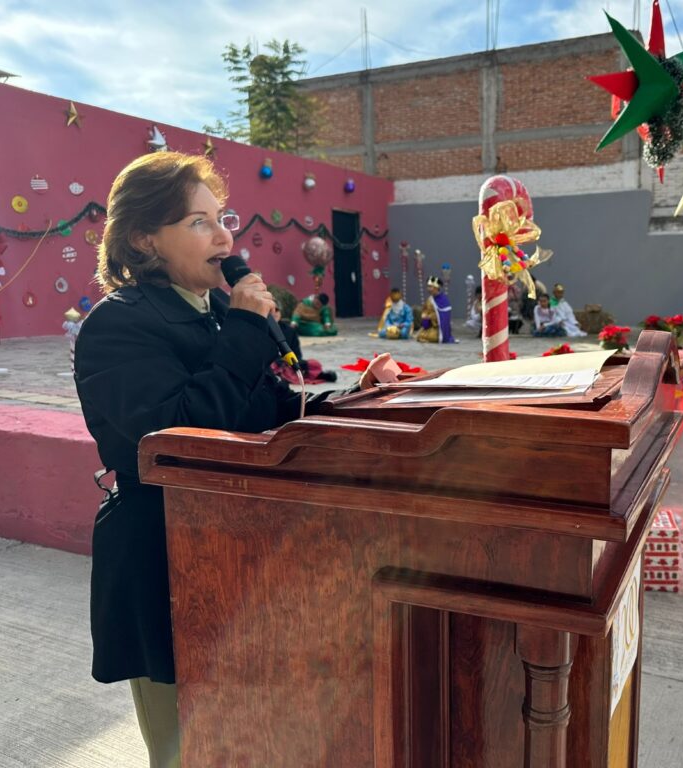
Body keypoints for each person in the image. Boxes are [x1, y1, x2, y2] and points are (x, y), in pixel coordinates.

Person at [72, 152, 396, 768]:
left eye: (223, 219)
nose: (225, 238)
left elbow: (273, 411)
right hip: (165, 557)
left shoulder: (221, 315)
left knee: (256, 729)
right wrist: (246, 332)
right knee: (187, 746)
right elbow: (177, 436)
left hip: (246, 549)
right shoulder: (118, 328)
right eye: (199, 222)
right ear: (144, 238)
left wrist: (359, 398)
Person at [271, 301, 338, 383]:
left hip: (289, 363)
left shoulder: (289, 331)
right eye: (271, 311)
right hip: (273, 364)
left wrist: (297, 363)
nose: (274, 313)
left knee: (313, 364)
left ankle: (320, 375)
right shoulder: (262, 330)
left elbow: (296, 353)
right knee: (274, 367)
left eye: (277, 310)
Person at [416, 276, 456, 343]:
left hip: (438, 328)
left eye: (430, 287)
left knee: (431, 336)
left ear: (436, 288)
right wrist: (424, 315)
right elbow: (425, 310)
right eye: (428, 286)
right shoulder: (430, 299)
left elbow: (443, 316)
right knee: (420, 336)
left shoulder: (444, 300)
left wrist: (430, 317)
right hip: (430, 327)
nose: (428, 289)